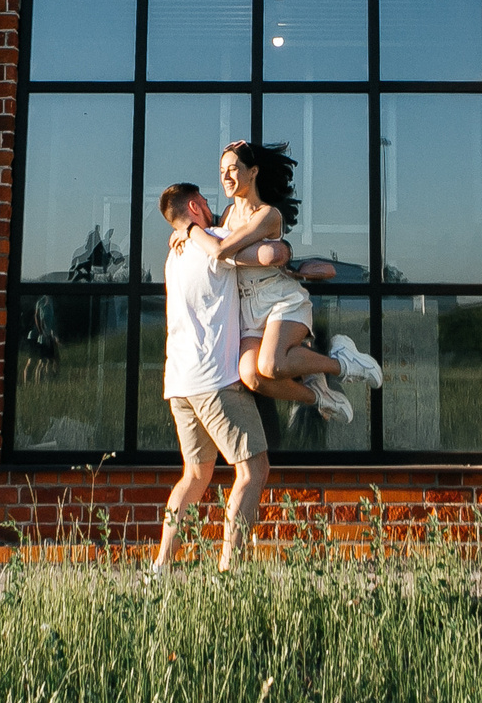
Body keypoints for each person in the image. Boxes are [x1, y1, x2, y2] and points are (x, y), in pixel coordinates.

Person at [214, 140, 383, 427]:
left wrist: (196, 235)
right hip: (249, 307)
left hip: (279, 299)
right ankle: (320, 397)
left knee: (271, 364)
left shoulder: (267, 215)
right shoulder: (228, 215)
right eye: (222, 171)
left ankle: (343, 362)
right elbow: (218, 246)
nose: (226, 177)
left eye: (233, 169)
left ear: (253, 171)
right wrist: (185, 231)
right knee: (252, 375)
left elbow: (221, 250)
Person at [151, 181, 271, 571]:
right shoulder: (216, 241)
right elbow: (266, 253)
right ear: (194, 207)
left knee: (196, 474)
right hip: (215, 380)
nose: (211, 207)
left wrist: (185, 231)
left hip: (179, 383)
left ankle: (162, 566)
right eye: (204, 201)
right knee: (253, 470)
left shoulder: (174, 255)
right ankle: (229, 570)